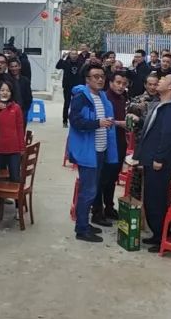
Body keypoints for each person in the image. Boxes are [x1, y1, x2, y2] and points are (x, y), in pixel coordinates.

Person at [66, 64, 118, 243]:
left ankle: (85, 224)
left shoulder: (102, 96)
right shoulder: (81, 97)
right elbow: (75, 121)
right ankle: (81, 229)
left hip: (100, 150)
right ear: (87, 79)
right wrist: (98, 123)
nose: (100, 79)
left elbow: (104, 121)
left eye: (102, 76)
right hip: (88, 152)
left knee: (93, 189)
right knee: (87, 191)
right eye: (96, 76)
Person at [135, 73, 171, 252]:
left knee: (157, 200)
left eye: (163, 80)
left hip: (159, 162)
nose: (159, 81)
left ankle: (163, 238)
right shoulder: (159, 103)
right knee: (151, 199)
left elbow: (168, 136)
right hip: (150, 158)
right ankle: (157, 234)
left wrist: (159, 158)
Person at [92, 70, 129, 225]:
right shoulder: (104, 98)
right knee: (102, 179)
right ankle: (97, 211)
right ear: (111, 82)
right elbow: (104, 120)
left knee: (113, 178)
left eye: (124, 84)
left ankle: (109, 207)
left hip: (120, 143)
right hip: (106, 144)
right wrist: (120, 123)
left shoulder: (122, 98)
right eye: (118, 83)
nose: (121, 86)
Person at [0, 80, 25, 183]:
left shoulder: (16, 108)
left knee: (15, 178)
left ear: (11, 93)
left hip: (13, 149)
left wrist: (22, 148)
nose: (5, 93)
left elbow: (20, 128)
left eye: (8, 91)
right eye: (2, 90)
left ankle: (15, 194)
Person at [56, 45, 88, 127]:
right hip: (67, 86)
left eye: (75, 54)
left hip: (78, 87)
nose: (74, 56)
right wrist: (62, 57)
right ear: (70, 55)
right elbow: (58, 66)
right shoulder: (66, 63)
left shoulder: (81, 64)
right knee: (67, 103)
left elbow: (85, 73)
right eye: (72, 54)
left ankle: (76, 120)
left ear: (77, 55)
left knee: (78, 104)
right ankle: (65, 120)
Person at [8, 57, 34, 123]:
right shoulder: (7, 80)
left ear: (19, 67)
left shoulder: (25, 80)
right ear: (9, 68)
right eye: (12, 67)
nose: (14, 68)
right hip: (10, 110)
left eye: (16, 66)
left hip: (23, 110)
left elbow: (29, 96)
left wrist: (26, 109)